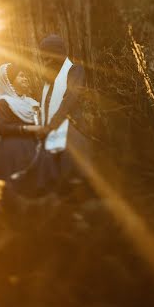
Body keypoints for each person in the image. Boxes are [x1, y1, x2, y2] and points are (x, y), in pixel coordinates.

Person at [37, 34, 88, 192]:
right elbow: (43, 106)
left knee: (68, 169)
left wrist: (51, 125)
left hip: (72, 127)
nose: (46, 60)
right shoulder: (48, 80)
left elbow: (70, 100)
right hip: (50, 131)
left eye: (49, 55)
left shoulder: (75, 70)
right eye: (44, 56)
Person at [0, 63, 42, 192]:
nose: (26, 79)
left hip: (33, 148)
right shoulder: (4, 102)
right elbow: (2, 128)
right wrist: (28, 129)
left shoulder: (31, 103)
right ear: (10, 81)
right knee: (16, 188)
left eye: (26, 76)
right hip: (13, 150)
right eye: (21, 76)